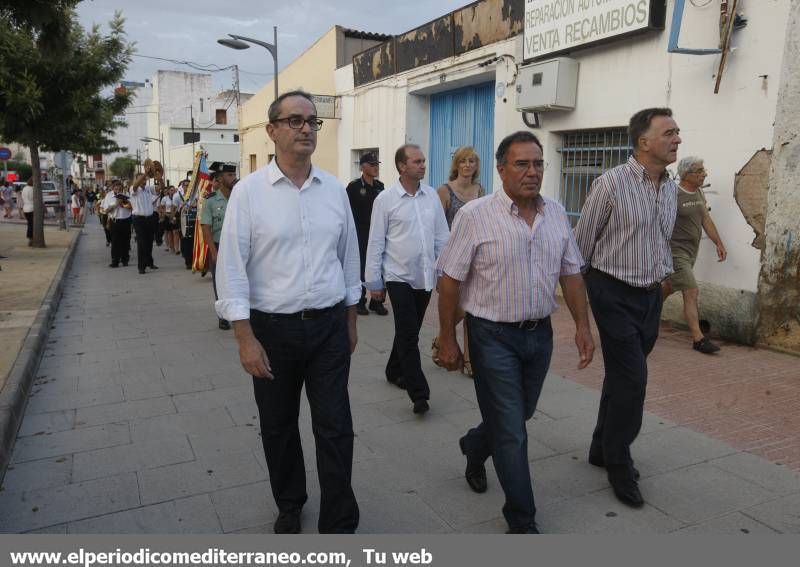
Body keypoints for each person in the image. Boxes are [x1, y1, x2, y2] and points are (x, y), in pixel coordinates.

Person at [215, 90, 361, 534]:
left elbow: (348, 257)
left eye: (312, 122)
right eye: (294, 120)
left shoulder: (335, 189)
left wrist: (350, 322)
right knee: (278, 427)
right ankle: (290, 502)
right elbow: (232, 268)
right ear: (272, 130)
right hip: (271, 332)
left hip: (328, 328)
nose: (305, 129)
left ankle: (339, 519)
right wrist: (245, 338)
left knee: (335, 426)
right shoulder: (248, 193)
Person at [436, 131, 594, 534]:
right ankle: (522, 521)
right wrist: (448, 337)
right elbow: (450, 281)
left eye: (538, 163)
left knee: (518, 413)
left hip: (538, 335)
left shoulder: (556, 213)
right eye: (522, 164)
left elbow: (571, 272)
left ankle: (474, 445)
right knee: (512, 430)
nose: (532, 172)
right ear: (502, 169)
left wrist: (582, 326)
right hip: (491, 335)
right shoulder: (474, 215)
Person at [574, 107, 681, 508]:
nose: (677, 139)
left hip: (650, 295)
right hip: (612, 291)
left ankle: (601, 445)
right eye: (669, 132)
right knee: (633, 381)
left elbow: (660, 238)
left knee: (621, 377)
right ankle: (619, 463)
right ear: (644, 142)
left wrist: (664, 277)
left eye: (677, 132)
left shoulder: (669, 187)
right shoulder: (611, 184)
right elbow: (582, 245)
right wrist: (583, 308)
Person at [365, 144, 449, 415]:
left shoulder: (431, 197)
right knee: (408, 333)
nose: (423, 165)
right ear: (402, 166)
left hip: (424, 275)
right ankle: (419, 393)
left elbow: (441, 237)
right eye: (417, 161)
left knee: (408, 330)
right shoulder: (386, 200)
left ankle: (393, 369)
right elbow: (376, 242)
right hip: (397, 275)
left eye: (423, 161)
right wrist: (373, 282)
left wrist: (446, 271)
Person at [665, 156, 726, 354]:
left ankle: (643, 314)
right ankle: (698, 339)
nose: (704, 173)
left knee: (667, 288)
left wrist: (718, 242)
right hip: (675, 251)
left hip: (691, 252)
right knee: (691, 290)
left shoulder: (699, 191)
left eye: (703, 170)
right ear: (686, 174)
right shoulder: (672, 193)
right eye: (700, 171)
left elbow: (705, 219)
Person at [433, 146, 486, 377]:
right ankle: (443, 338)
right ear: (457, 165)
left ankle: (469, 359)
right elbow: (436, 228)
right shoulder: (444, 191)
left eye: (472, 161)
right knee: (457, 307)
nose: (467, 165)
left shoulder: (480, 191)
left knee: (470, 310)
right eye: (463, 161)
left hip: (474, 258)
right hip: (451, 257)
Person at [345, 152, 388, 316]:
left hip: (377, 233)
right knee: (361, 266)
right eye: (372, 164)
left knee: (381, 265)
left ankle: (377, 302)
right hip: (360, 233)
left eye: (377, 164)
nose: (376, 167)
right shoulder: (354, 187)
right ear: (362, 167)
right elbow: (347, 211)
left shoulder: (380, 186)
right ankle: (360, 301)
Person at [200, 161, 237, 330]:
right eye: (230, 175)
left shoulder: (240, 196)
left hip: (238, 246)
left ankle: (240, 313)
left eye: (234, 174)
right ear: (221, 179)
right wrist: (214, 252)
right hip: (219, 245)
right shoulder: (210, 201)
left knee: (239, 281)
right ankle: (222, 316)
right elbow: (206, 228)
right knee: (220, 282)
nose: (234, 178)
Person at [129, 160, 161, 275]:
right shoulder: (133, 189)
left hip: (150, 218)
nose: (144, 181)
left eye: (145, 180)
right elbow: (136, 184)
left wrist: (159, 177)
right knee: (142, 243)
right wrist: (145, 173)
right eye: (142, 179)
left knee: (148, 242)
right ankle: (141, 267)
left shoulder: (148, 189)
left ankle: (149, 262)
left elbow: (160, 188)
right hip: (139, 219)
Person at [101, 179, 133, 268]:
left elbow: (132, 207)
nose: (118, 190)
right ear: (113, 189)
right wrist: (115, 205)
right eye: (116, 189)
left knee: (126, 241)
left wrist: (124, 204)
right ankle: (115, 261)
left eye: (119, 189)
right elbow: (105, 210)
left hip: (125, 220)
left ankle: (125, 260)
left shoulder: (127, 195)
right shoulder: (109, 196)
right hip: (114, 221)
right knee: (115, 242)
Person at [21, 178, 34, 243]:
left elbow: (23, 197)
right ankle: (30, 238)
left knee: (29, 223)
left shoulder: (24, 188)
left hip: (25, 208)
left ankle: (30, 237)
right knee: (32, 224)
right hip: (32, 208)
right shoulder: (32, 189)